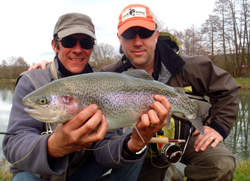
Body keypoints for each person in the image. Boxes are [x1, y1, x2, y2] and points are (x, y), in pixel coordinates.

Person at [28, 4, 241, 181]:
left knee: (220, 164)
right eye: (129, 34)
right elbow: (77, 83)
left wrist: (218, 127)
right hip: (140, 149)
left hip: (188, 140)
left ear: (156, 35)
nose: (137, 41)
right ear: (120, 39)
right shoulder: (108, 75)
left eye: (145, 33)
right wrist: (49, 67)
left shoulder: (193, 66)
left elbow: (228, 90)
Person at [2, 12, 171, 181]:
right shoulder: (32, 81)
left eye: (85, 42)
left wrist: (134, 145)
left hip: (80, 173)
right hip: (39, 175)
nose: (77, 49)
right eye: (69, 42)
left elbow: (104, 147)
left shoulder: (102, 83)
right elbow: (13, 146)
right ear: (55, 45)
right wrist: (54, 146)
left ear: (92, 47)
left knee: (135, 150)